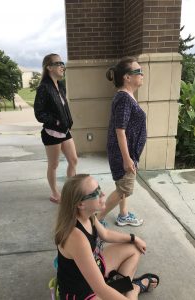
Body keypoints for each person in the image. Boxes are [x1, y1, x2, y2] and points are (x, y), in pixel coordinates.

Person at [55, 174, 159, 300]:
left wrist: (134, 238)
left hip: (95, 271)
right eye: (95, 193)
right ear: (81, 204)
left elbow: (106, 234)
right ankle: (132, 290)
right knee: (114, 293)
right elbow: (100, 289)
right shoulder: (76, 237)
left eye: (99, 188)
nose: (103, 194)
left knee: (134, 249)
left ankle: (124, 288)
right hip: (82, 293)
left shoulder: (88, 216)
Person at [97, 57, 146, 227]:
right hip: (123, 152)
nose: (142, 74)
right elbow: (120, 130)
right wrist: (127, 158)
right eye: (138, 71)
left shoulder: (127, 96)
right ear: (127, 77)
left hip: (129, 151)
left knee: (122, 184)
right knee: (124, 188)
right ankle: (94, 220)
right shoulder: (124, 98)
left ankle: (123, 214)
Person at [34, 53, 77, 204]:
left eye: (62, 63)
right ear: (49, 67)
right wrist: (57, 122)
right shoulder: (43, 88)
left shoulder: (61, 86)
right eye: (59, 63)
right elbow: (39, 113)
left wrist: (67, 122)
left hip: (65, 131)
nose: (62, 66)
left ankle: (71, 191)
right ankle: (54, 193)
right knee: (54, 165)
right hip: (52, 132)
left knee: (73, 160)